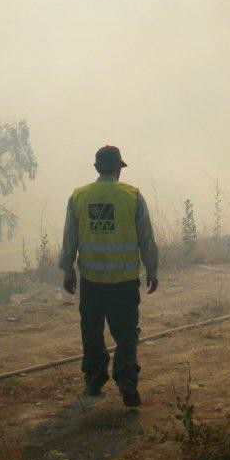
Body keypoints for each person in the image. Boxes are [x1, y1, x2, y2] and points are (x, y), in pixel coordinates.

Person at [58, 145, 160, 407]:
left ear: (96, 168)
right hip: (124, 283)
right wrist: (152, 269)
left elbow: (69, 238)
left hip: (91, 282)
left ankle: (94, 379)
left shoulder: (79, 196)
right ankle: (127, 381)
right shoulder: (132, 196)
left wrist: (68, 269)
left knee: (91, 331)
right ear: (118, 169)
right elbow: (146, 238)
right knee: (126, 333)